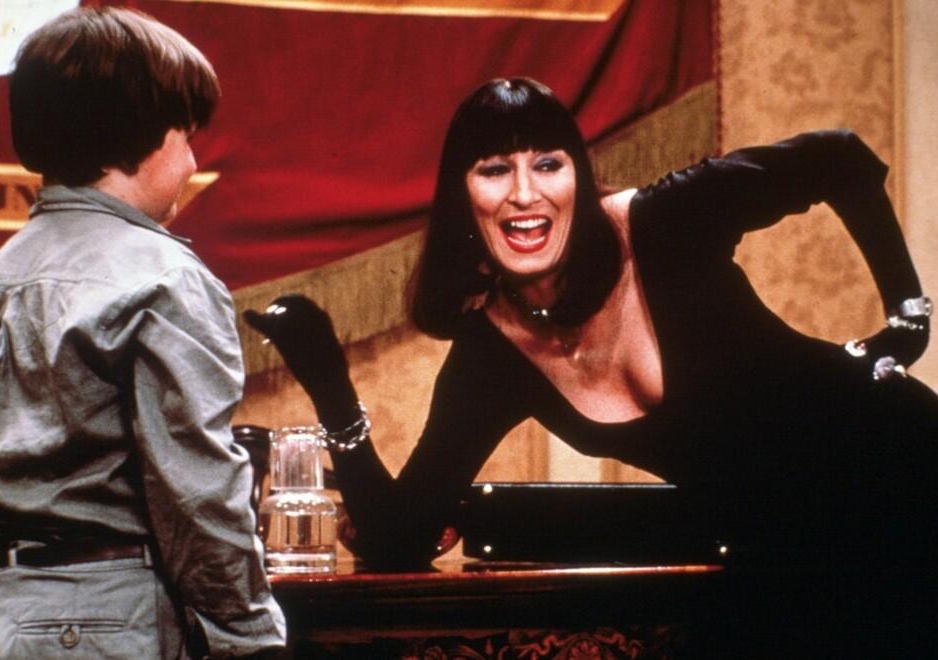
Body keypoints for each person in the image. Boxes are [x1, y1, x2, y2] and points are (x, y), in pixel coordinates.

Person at [245, 78, 937, 653]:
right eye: (495, 169)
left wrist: (909, 318)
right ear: (463, 197)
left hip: (905, 481)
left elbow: (838, 156)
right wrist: (329, 383)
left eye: (548, 164)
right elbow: (400, 538)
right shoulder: (492, 356)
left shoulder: (662, 221)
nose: (525, 194)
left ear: (577, 174)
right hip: (782, 556)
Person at [0, 7, 285, 658]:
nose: (192, 162)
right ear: (141, 138)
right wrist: (250, 639)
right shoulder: (166, 279)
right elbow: (199, 496)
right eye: (186, 137)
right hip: (112, 621)